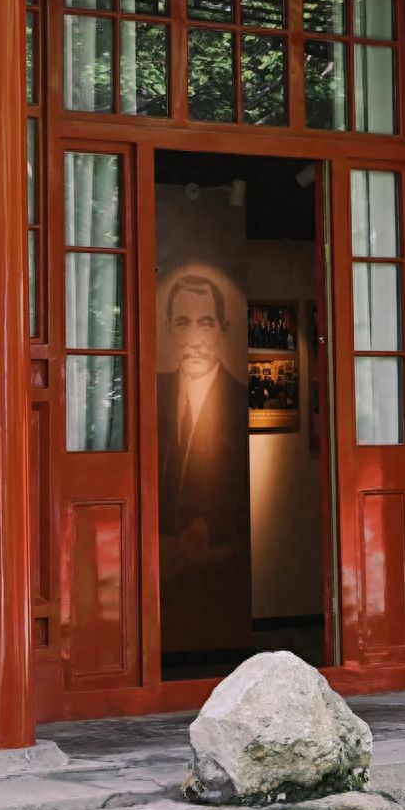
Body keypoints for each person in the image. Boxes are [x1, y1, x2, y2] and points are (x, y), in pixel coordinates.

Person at [157, 272, 251, 654]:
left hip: (217, 585)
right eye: (183, 323)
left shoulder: (241, 400)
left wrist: (208, 533)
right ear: (168, 329)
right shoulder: (150, 393)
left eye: (206, 323)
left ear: (225, 330)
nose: (194, 339)